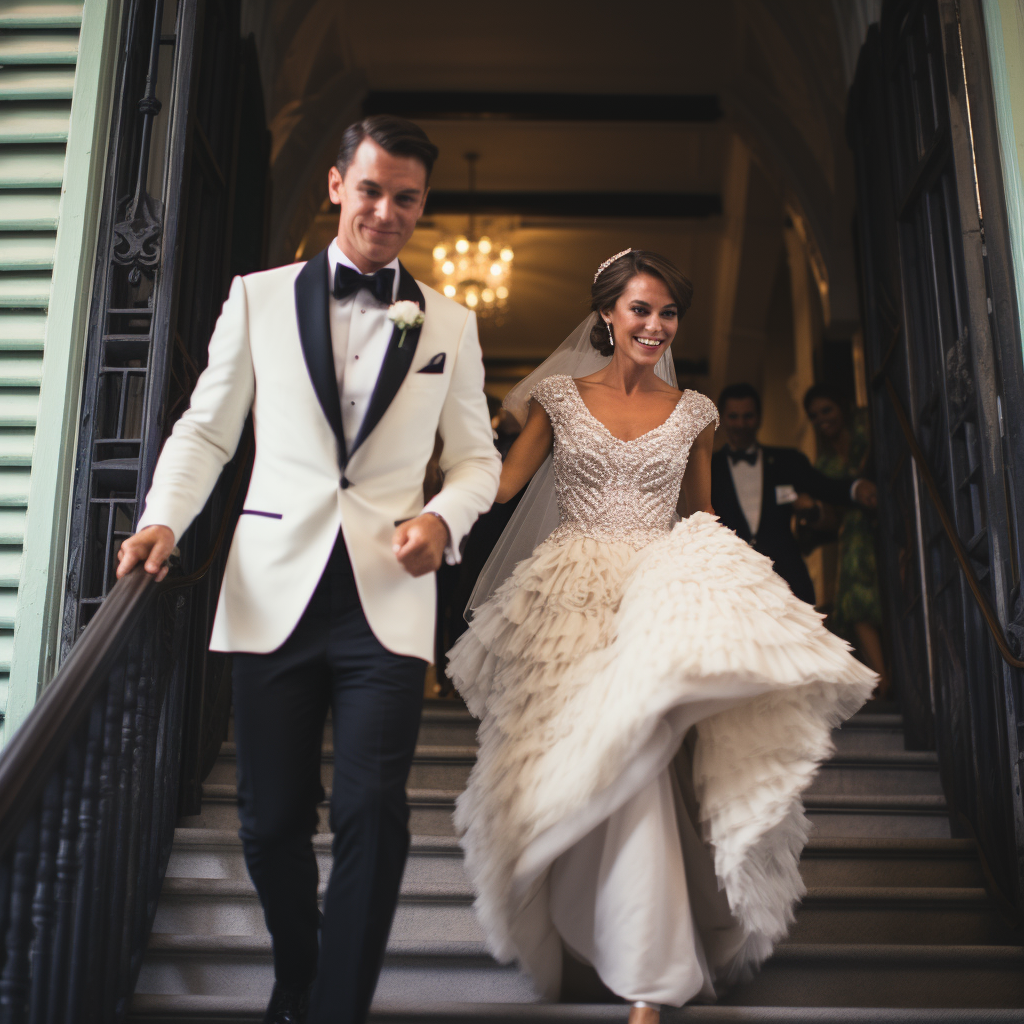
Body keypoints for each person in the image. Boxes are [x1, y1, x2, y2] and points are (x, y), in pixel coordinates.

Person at [116, 116, 501, 1024]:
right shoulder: (256, 298)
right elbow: (209, 430)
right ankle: (301, 969)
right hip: (271, 587)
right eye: (370, 189)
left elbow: (479, 458)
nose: (386, 211)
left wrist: (442, 521)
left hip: (389, 600)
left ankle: (336, 1008)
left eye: (406, 197)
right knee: (270, 820)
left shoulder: (451, 321)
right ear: (336, 185)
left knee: (374, 812)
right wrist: (163, 519)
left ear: (422, 205)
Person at [446, 249, 876, 1023]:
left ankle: (651, 972)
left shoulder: (697, 412)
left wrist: (729, 600)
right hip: (570, 597)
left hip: (655, 592)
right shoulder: (557, 395)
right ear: (606, 316)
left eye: (667, 312)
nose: (654, 325)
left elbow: (700, 514)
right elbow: (504, 486)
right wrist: (433, 476)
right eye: (640, 309)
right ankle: (594, 942)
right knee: (589, 760)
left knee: (645, 761)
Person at [711, 383, 877, 606]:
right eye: (734, 417)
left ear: (759, 418)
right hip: (730, 582)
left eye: (748, 416)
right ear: (721, 419)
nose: (741, 424)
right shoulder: (708, 468)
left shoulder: (787, 461)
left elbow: (824, 486)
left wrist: (856, 488)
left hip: (785, 579)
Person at [803, 383, 889, 697]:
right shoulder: (823, 464)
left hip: (893, 517)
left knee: (894, 595)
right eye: (814, 416)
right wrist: (810, 512)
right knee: (855, 601)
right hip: (855, 534)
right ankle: (881, 677)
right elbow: (833, 518)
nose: (822, 419)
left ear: (843, 406)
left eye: (827, 410)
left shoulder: (868, 427)